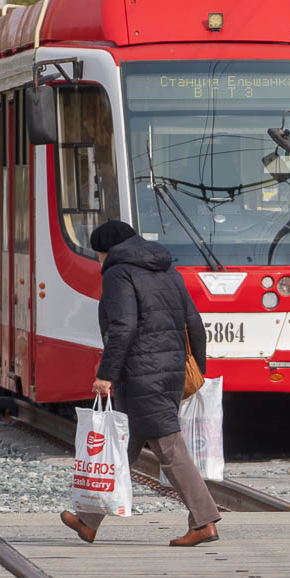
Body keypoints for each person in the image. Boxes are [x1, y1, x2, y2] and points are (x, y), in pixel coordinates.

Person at [60, 220, 221, 547]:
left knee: (169, 447)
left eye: (98, 254)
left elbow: (122, 327)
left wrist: (106, 374)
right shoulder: (167, 270)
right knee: (124, 445)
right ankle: (88, 521)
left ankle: (204, 520)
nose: (98, 261)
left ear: (107, 251)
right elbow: (194, 323)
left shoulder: (119, 274)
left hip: (141, 374)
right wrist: (194, 370)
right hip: (170, 370)